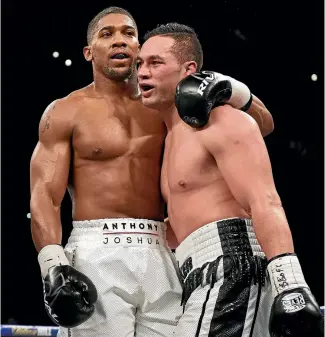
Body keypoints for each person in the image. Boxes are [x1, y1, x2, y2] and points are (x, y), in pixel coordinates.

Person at [137, 23, 324, 337]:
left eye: (155, 63)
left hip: (232, 268)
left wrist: (289, 283)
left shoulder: (220, 119)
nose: (142, 72)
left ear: (189, 70)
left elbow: (263, 200)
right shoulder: (168, 138)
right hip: (197, 276)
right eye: (140, 63)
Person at [30, 7, 183, 337]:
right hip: (96, 250)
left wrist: (228, 88)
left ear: (140, 48)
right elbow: (44, 194)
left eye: (129, 34)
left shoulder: (167, 107)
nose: (120, 40)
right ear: (89, 52)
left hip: (162, 249)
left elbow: (258, 127)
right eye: (107, 33)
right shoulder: (65, 111)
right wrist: (54, 266)